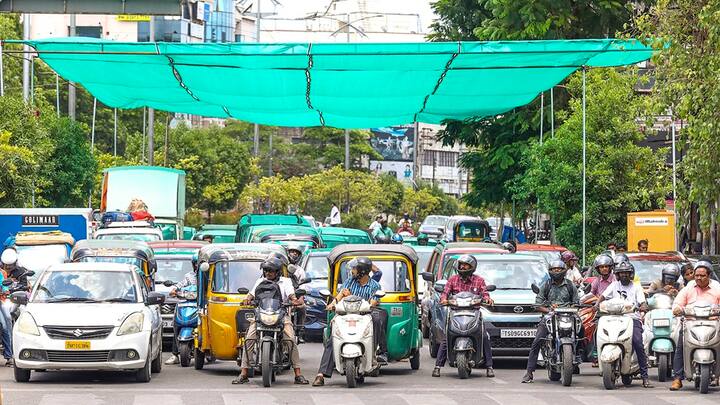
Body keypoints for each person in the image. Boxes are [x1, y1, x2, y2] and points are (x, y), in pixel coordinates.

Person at [312, 257, 388, 386]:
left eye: (354, 268)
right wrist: (334, 303)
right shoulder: (350, 281)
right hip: (346, 315)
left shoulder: (374, 285)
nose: (352, 271)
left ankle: (376, 354)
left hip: (364, 316)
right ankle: (321, 374)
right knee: (333, 338)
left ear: (362, 271)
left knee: (376, 319)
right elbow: (339, 295)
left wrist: (370, 304)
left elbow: (373, 302)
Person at [233, 256, 308, 385]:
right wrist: (247, 300)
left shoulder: (286, 282)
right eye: (266, 270)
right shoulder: (260, 281)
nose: (268, 273)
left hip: (280, 316)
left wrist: (296, 301)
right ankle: (244, 373)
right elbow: (250, 295)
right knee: (249, 339)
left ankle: (298, 374)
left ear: (278, 271)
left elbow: (292, 296)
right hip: (261, 316)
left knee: (290, 339)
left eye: (271, 271)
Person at [432, 255, 495, 378]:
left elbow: (485, 294)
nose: (462, 267)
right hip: (456, 313)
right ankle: (437, 366)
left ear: (472, 267)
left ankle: (489, 366)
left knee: (484, 336)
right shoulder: (452, 280)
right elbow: (445, 294)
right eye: (461, 265)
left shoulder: (479, 280)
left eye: (465, 265)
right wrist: (444, 300)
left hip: (473, 313)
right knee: (447, 337)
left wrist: (487, 300)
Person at [595, 262, 653, 388]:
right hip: (613, 318)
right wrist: (596, 305)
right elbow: (603, 296)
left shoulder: (636, 287)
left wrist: (642, 307)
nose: (624, 275)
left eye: (627, 273)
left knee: (637, 342)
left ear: (631, 274)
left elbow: (642, 302)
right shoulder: (614, 285)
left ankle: (644, 376)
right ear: (618, 274)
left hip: (632, 318)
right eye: (622, 273)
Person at [522, 260, 580, 383]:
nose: (557, 271)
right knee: (537, 340)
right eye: (554, 269)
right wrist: (548, 310)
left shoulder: (570, 285)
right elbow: (538, 304)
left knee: (582, 332)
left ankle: (578, 357)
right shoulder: (546, 285)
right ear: (550, 271)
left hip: (568, 316)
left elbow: (577, 302)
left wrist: (573, 308)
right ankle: (529, 372)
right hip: (549, 317)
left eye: (559, 269)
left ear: (564, 271)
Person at [669, 261, 720, 391]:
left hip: (713, 322)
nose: (698, 278)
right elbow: (678, 303)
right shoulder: (689, 287)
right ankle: (678, 378)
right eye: (696, 275)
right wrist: (677, 309)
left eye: (702, 276)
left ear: (709, 276)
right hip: (691, 323)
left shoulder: (717, 288)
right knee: (680, 344)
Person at [165, 253, 199, 365]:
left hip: (201, 304)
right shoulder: (189, 276)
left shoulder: (208, 276)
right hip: (187, 303)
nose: (197, 266)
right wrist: (174, 290)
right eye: (196, 264)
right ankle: (175, 354)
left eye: (199, 264)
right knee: (176, 323)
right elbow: (180, 285)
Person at [0, 249, 20, 366]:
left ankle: (8, 355)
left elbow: (4, 285)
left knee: (6, 322)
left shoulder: (2, 273)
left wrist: (6, 291)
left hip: (1, 301)